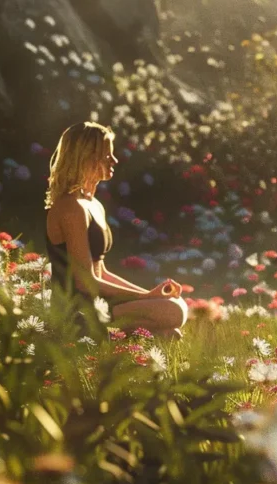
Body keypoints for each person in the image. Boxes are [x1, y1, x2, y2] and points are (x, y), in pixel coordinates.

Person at [44, 122, 188, 339]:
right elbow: (85, 281)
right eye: (107, 155)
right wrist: (145, 297)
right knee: (173, 311)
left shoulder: (93, 204)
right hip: (77, 308)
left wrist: (147, 295)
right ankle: (89, 333)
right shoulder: (70, 207)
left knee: (171, 323)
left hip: (99, 302)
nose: (115, 160)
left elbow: (101, 273)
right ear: (87, 157)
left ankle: (108, 339)